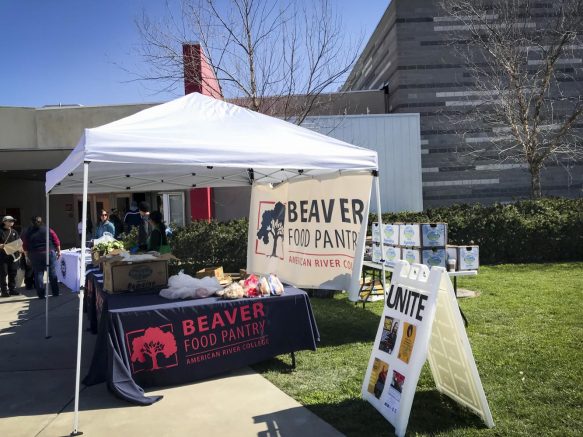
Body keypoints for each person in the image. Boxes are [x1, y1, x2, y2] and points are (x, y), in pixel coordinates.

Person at [22, 216, 61, 299]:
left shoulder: (28, 232)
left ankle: (41, 295)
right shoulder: (48, 229)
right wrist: (59, 251)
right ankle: (55, 292)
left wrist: (26, 256)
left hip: (35, 254)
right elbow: (56, 241)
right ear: (41, 221)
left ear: (31, 222)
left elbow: (25, 245)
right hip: (49, 252)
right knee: (52, 273)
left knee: (38, 274)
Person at [0, 215, 21, 297]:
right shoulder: (0, 231)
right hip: (2, 256)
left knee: (13, 273)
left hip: (13, 256)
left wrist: (20, 249)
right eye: (10, 220)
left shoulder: (14, 231)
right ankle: (4, 291)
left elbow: (18, 242)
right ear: (4, 221)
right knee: (3, 273)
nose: (12, 222)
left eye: (13, 220)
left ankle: (12, 289)